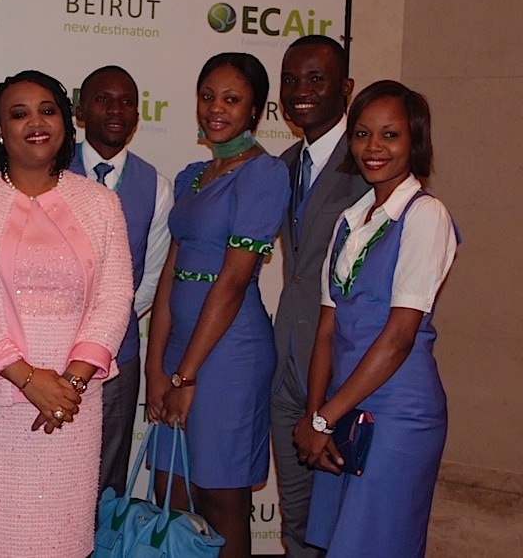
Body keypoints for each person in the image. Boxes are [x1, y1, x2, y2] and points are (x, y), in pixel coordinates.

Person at [0, 70, 133, 558]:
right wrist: (26, 378)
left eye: (47, 111)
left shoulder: (101, 204)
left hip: (72, 405)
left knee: (61, 540)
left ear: (65, 122)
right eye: (18, 114)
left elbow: (115, 297)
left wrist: (71, 384)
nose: (36, 123)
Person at [293, 80, 458, 557]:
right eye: (363, 134)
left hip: (398, 415)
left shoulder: (426, 215)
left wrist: (324, 418)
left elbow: (400, 336)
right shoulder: (349, 219)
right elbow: (327, 328)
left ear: (415, 140)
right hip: (342, 408)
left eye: (390, 135)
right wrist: (315, 415)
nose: (374, 147)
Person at [145, 53, 290, 557]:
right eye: (208, 96)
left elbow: (232, 282)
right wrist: (157, 369)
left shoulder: (264, 174)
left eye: (231, 99)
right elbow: (170, 273)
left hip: (230, 354)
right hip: (178, 352)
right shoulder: (192, 176)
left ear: (255, 110)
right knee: (171, 494)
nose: (215, 108)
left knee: (219, 498)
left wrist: (185, 376)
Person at [271, 35, 369, 557]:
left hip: (342, 373)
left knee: (340, 525)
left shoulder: (369, 164)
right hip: (286, 366)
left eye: (316, 79)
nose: (301, 91)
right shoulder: (283, 165)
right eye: (291, 80)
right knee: (296, 521)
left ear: (345, 88)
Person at [70, 65, 173, 495]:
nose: (116, 110)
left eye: (127, 102)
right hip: (44, 353)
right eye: (103, 100)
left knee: (105, 482)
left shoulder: (156, 186)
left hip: (118, 355)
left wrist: (109, 323)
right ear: (80, 111)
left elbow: (150, 277)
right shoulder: (48, 168)